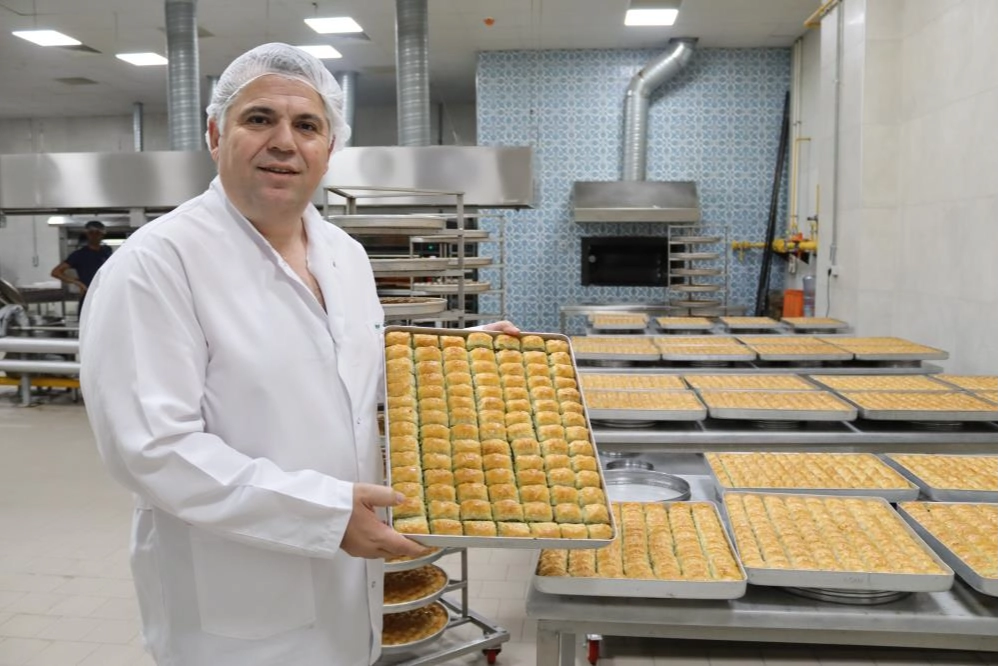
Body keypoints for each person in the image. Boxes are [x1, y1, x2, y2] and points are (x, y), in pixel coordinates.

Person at [79, 43, 518, 666]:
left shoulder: (344, 253)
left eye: (307, 125)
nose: (284, 142)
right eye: (259, 119)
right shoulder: (156, 265)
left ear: (329, 148)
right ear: (215, 134)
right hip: (237, 599)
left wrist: (456, 361)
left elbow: (353, 372)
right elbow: (151, 450)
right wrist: (324, 515)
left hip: (349, 587)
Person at [50, 220, 112, 307]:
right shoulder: (79, 255)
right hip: (88, 296)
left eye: (97, 233)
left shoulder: (107, 252)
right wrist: (78, 283)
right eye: (91, 233)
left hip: (105, 295)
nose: (94, 236)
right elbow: (56, 272)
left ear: (102, 234)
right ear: (87, 234)